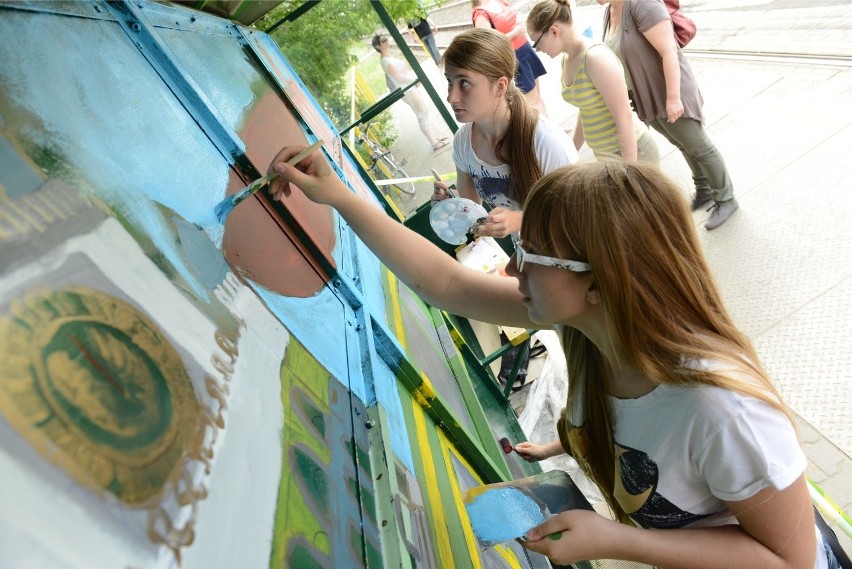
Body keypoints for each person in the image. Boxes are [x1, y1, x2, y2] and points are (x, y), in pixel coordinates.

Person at [265, 150, 838, 568]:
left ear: (598, 283)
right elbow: (444, 282)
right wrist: (339, 197)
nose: (513, 269)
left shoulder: (723, 410)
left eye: (530, 253)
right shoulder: (588, 331)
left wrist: (619, 540)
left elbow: (790, 561)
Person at [598, 0, 738, 230]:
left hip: (667, 91)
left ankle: (726, 198)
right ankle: (704, 190)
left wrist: (673, 98)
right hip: (645, 96)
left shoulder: (642, 4)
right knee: (683, 143)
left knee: (699, 146)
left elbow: (668, 51)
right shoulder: (609, 12)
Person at [431, 27, 577, 240]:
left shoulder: (545, 141)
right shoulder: (463, 142)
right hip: (529, 256)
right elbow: (471, 209)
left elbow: (579, 213)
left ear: (500, 86)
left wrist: (521, 219)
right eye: (449, 81)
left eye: (464, 83)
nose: (451, 97)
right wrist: (451, 204)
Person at [527, 0, 659, 163]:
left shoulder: (595, 57)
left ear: (554, 31)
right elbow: (587, 109)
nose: (538, 50)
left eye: (536, 43)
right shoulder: (567, 58)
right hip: (607, 155)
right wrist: (572, 150)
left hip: (633, 154)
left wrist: (629, 170)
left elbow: (623, 116)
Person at [471, 0, 549, 116]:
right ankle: (547, 132)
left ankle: (553, 128)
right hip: (513, 57)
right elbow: (489, 43)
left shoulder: (498, 2)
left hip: (524, 51)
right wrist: (515, 32)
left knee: (537, 96)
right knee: (532, 101)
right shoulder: (480, 14)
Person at [372, 35, 449, 151]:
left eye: (385, 39)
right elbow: (398, 76)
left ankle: (435, 138)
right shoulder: (385, 61)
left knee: (423, 112)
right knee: (421, 114)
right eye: (383, 41)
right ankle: (434, 142)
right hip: (407, 88)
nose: (386, 41)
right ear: (378, 46)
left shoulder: (388, 57)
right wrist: (414, 81)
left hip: (409, 87)